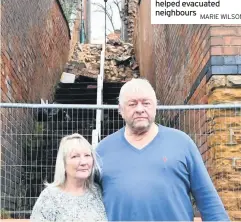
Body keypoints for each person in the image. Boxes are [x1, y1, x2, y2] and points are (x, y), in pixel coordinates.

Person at [96, 78, 230, 221]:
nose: (140, 109)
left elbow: (208, 199)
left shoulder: (182, 143)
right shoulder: (102, 151)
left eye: (146, 103)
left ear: (156, 106)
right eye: (132, 104)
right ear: (120, 110)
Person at [30, 133, 107, 222]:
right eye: (75, 156)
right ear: (63, 163)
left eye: (87, 155)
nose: (83, 162)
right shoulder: (49, 197)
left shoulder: (98, 192)